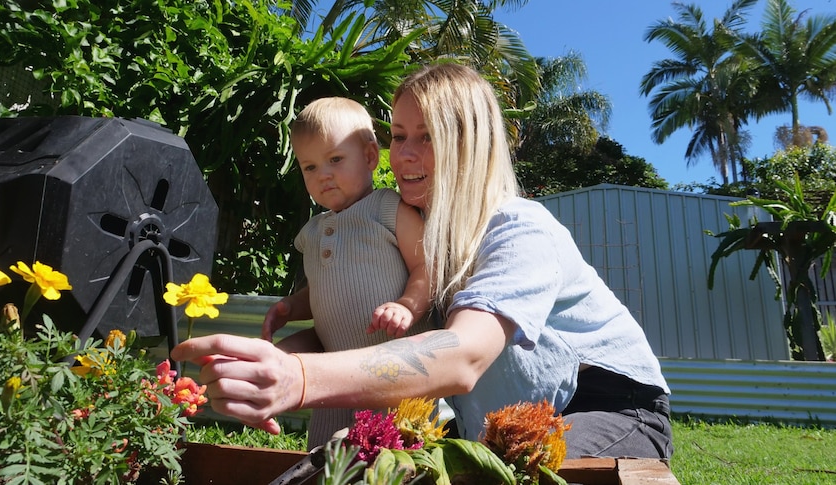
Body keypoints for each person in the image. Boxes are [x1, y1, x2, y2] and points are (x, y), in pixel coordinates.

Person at [172, 63, 673, 460]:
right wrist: (271, 360)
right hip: (496, 431)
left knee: (512, 467)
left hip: (608, 409)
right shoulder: (406, 235)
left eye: (427, 136)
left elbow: (462, 355)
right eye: (397, 135)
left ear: (469, 144)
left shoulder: (519, 227)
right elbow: (348, 333)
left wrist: (299, 379)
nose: (403, 155)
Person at [261, 97, 433, 448]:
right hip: (334, 378)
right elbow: (322, 288)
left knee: (396, 461)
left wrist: (407, 305)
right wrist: (292, 307)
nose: (322, 175)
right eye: (309, 167)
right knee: (326, 457)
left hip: (396, 376)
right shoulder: (312, 231)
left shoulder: (388, 208)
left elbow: (426, 267)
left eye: (335, 160)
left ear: (370, 157)